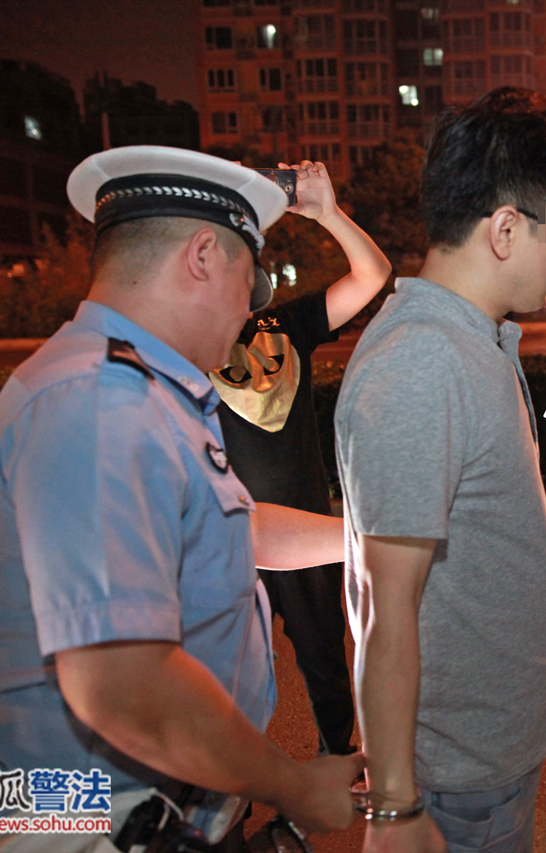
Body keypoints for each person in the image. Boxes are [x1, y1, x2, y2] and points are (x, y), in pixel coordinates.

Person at [0, 147, 363, 852]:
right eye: (248, 287)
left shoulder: (142, 389)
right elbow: (124, 687)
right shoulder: (97, 403)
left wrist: (366, 540)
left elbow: (229, 529)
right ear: (202, 256)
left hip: (155, 807)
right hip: (100, 824)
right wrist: (294, 784)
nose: (248, 314)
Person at [334, 87, 546, 853]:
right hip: (453, 779)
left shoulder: (469, 341)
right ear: (506, 229)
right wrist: (394, 808)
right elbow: (386, 609)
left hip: (487, 755)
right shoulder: (424, 362)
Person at [211, 158, 391, 759]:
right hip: (224, 541)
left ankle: (335, 765)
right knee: (224, 676)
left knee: (324, 664)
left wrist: (327, 213)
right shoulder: (176, 346)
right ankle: (233, 793)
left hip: (308, 531)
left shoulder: (282, 327)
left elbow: (372, 276)